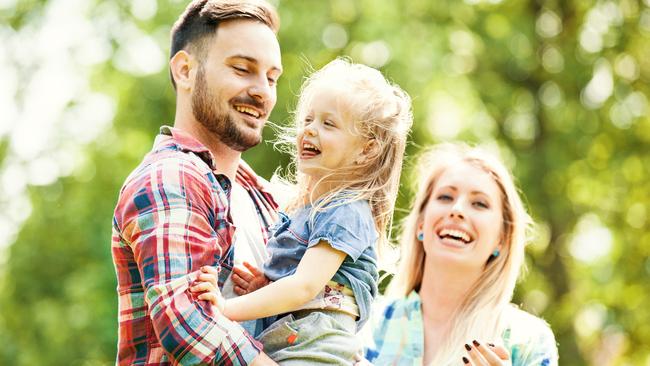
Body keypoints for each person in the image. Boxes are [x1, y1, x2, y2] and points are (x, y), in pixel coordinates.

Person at [191, 58, 413, 365]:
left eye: (328, 123)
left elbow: (305, 286)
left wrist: (223, 310)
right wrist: (267, 286)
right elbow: (301, 285)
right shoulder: (306, 209)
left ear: (367, 150)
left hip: (317, 350)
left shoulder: (346, 209)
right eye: (308, 120)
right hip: (292, 341)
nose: (310, 131)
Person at [111, 0, 283, 364]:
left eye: (271, 78)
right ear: (186, 70)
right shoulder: (170, 175)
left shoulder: (263, 198)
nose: (263, 92)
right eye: (242, 69)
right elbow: (189, 326)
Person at [365, 143, 559, 365]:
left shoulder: (529, 342)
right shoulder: (363, 323)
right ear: (421, 224)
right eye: (445, 197)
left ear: (501, 239)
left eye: (479, 204)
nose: (457, 210)